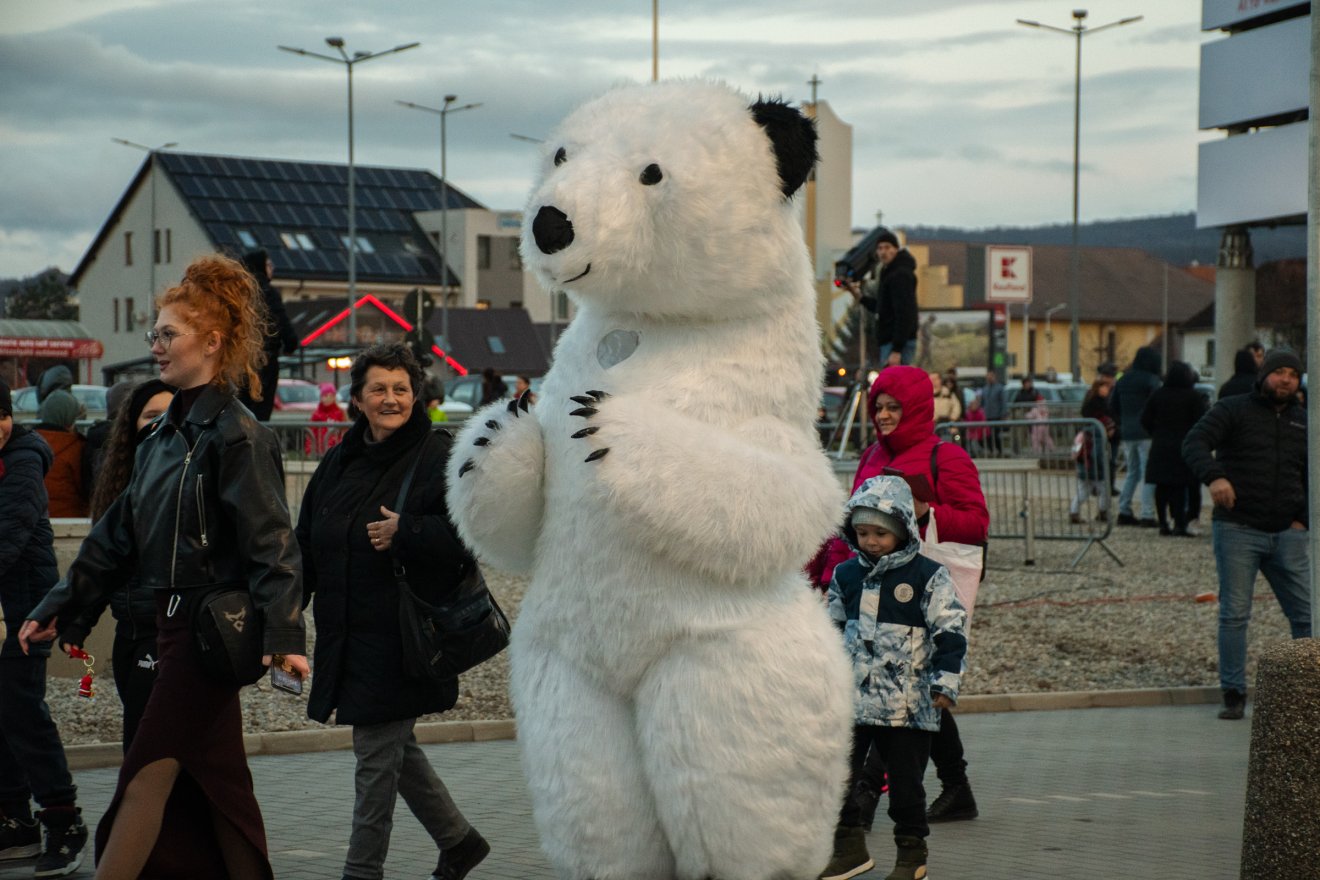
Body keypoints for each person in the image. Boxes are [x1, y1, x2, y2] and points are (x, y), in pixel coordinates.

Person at [19, 254, 308, 879]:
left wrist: (285, 636)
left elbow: (273, 543)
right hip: (171, 628)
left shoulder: (239, 436)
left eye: (167, 334)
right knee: (221, 791)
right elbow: (114, 537)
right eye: (155, 333)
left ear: (212, 341)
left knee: (144, 776)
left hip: (207, 637)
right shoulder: (162, 437)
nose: (155, 345)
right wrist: (60, 607)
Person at [297, 343, 489, 880]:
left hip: (403, 639)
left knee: (374, 762)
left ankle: (362, 873)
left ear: (417, 395)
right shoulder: (339, 458)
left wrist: (409, 531)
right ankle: (460, 842)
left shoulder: (438, 456)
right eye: (378, 389)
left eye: (401, 389)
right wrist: (283, 615)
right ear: (356, 399)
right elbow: (308, 539)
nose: (391, 399)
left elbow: (468, 537)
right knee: (393, 750)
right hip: (346, 635)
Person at [808, 365, 988, 825]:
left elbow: (977, 522)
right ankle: (956, 786)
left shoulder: (946, 457)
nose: (884, 416)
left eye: (893, 407)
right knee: (910, 686)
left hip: (924, 590)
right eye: (879, 407)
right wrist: (825, 571)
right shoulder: (871, 453)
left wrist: (929, 511)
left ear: (917, 409)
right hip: (870, 587)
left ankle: (864, 800)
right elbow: (853, 523)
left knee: (893, 689)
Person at [820, 476, 967, 880]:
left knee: (905, 788)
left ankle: (911, 855)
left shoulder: (927, 575)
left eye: (880, 533)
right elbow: (829, 630)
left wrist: (946, 681)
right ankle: (848, 847)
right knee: (837, 778)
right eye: (862, 532)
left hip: (909, 704)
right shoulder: (846, 575)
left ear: (902, 528)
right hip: (852, 700)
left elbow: (951, 629)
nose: (870, 541)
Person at [1182, 349, 1309, 721]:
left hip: (1288, 532)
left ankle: (1308, 690)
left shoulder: (1305, 421)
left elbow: (1313, 472)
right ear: (1263, 375)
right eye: (1278, 372)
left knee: (1306, 616)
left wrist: (1303, 518)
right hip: (1238, 528)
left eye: (1292, 373)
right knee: (1235, 614)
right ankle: (1234, 692)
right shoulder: (1233, 409)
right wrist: (1215, 476)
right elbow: (1194, 443)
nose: (1285, 379)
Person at [0, 381, 90, 877]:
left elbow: (9, 533)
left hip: (24, 610)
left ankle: (63, 820)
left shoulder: (25, 459)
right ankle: (14, 820)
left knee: (22, 714)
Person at [60, 380, 174, 751]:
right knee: (141, 740)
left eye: (170, 415)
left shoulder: (188, 478)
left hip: (168, 631)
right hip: (129, 628)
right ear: (131, 424)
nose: (161, 424)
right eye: (151, 416)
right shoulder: (120, 478)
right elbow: (103, 559)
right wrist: (78, 621)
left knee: (147, 747)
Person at [1141, 362, 1208, 537]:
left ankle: (1163, 522)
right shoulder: (1193, 397)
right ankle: (1179, 523)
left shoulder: (1158, 395)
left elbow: (1145, 419)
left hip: (1161, 444)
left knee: (1162, 486)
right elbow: (1202, 421)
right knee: (1180, 485)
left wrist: (1155, 431)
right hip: (1183, 445)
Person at [237, 249, 300, 422]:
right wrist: (291, 344)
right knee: (261, 408)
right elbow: (281, 320)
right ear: (261, 266)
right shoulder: (269, 292)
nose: (272, 268)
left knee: (241, 406)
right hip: (265, 358)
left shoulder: (239, 293)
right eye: (268, 264)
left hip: (240, 358)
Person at [844, 230, 919, 367]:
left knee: (895, 386)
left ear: (896, 249)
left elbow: (905, 313)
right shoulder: (888, 272)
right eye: (880, 248)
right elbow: (883, 308)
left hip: (897, 344)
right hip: (891, 342)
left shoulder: (900, 275)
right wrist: (858, 295)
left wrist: (897, 350)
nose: (883, 252)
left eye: (887, 247)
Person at [1110, 346, 1162, 527]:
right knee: (1149, 473)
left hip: (1127, 432)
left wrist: (1121, 422)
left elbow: (1112, 404)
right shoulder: (1151, 379)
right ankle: (1147, 513)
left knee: (1132, 472)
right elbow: (1157, 404)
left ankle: (1124, 510)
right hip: (1147, 433)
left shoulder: (1123, 379)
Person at [33, 391, 89, 518]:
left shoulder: (27, 443)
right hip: (71, 524)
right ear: (69, 418)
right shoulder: (76, 448)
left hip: (33, 522)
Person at [1070, 379, 1115, 524]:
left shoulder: (1086, 428)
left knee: (1083, 489)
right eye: (1105, 387)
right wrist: (1102, 464)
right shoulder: (1097, 430)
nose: (1107, 390)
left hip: (1084, 461)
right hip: (1094, 464)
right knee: (1104, 488)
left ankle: (1074, 512)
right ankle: (1102, 513)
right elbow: (1097, 452)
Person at [306, 382, 347, 455]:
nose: (323, 399)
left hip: (336, 452)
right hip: (319, 452)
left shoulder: (340, 413)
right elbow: (311, 435)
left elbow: (344, 432)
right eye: (322, 396)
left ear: (333, 396)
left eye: (326, 396)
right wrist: (309, 450)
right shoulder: (316, 414)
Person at [979, 370, 1006, 456]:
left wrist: (1003, 414)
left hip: (996, 416)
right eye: (988, 376)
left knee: (996, 435)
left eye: (991, 376)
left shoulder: (1000, 388)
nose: (989, 378)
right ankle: (991, 450)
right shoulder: (984, 389)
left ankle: (999, 450)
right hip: (987, 416)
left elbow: (1003, 402)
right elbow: (982, 403)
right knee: (988, 435)